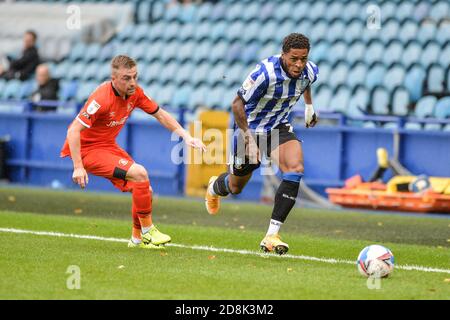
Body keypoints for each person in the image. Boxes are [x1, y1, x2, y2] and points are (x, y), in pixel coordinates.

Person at [60, 55, 206, 249]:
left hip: (107, 146)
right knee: (140, 173)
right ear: (114, 78)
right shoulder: (101, 99)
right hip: (87, 150)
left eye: (135, 77)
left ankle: (137, 240)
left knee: (145, 189)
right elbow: (73, 131)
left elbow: (160, 114)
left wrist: (186, 136)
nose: (132, 82)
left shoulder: (136, 93)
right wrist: (78, 167)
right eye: (126, 78)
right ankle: (148, 231)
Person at [205, 33, 319, 255]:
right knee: (236, 187)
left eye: (303, 59)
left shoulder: (310, 70)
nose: (299, 64)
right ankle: (214, 187)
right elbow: (236, 104)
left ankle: (271, 235)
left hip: (278, 127)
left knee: (295, 169)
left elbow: (305, 82)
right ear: (283, 54)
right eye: (294, 59)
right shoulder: (264, 73)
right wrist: (248, 137)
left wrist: (309, 107)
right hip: (250, 128)